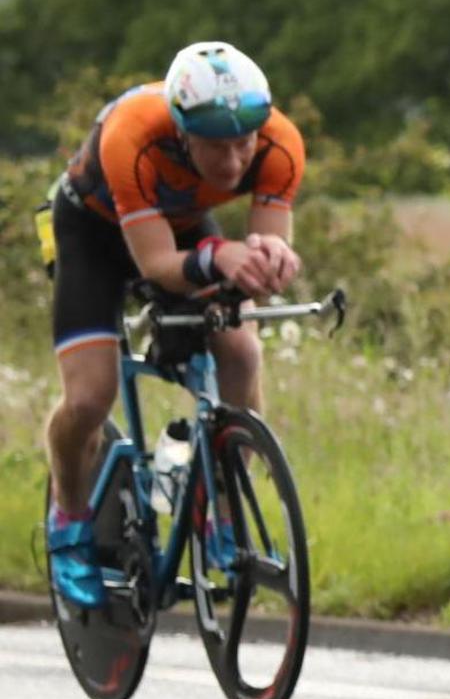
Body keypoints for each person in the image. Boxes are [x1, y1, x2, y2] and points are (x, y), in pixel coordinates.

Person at [38, 43, 307, 608]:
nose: (234, 163)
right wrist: (218, 256)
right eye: (215, 146)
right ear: (183, 133)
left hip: (179, 227)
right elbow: (157, 266)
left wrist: (270, 260)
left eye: (243, 143)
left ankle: (222, 512)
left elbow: (268, 241)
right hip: (93, 234)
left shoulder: (281, 142)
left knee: (241, 352)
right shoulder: (132, 135)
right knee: (90, 398)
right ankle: (69, 514)